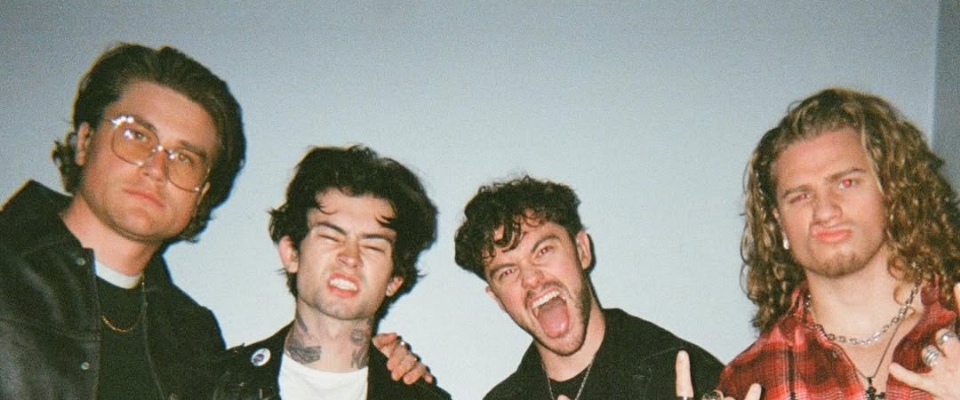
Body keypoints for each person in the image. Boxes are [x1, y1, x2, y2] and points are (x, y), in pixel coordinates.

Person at [0, 43, 426, 400]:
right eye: (137, 135)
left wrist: (384, 375)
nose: (156, 168)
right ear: (84, 141)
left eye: (184, 157)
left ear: (201, 193)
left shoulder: (191, 335)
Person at [716, 88, 960, 399]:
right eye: (801, 196)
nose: (825, 211)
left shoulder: (955, 322)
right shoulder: (751, 379)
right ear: (779, 222)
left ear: (891, 191)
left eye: (846, 183)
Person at [211, 145, 451, 400]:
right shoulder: (209, 384)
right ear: (292, 253)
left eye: (372, 246)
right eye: (330, 237)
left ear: (394, 280)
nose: (350, 257)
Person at [454, 175, 723, 400]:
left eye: (543, 251)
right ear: (498, 299)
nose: (531, 279)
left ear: (582, 250)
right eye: (507, 272)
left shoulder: (685, 375)